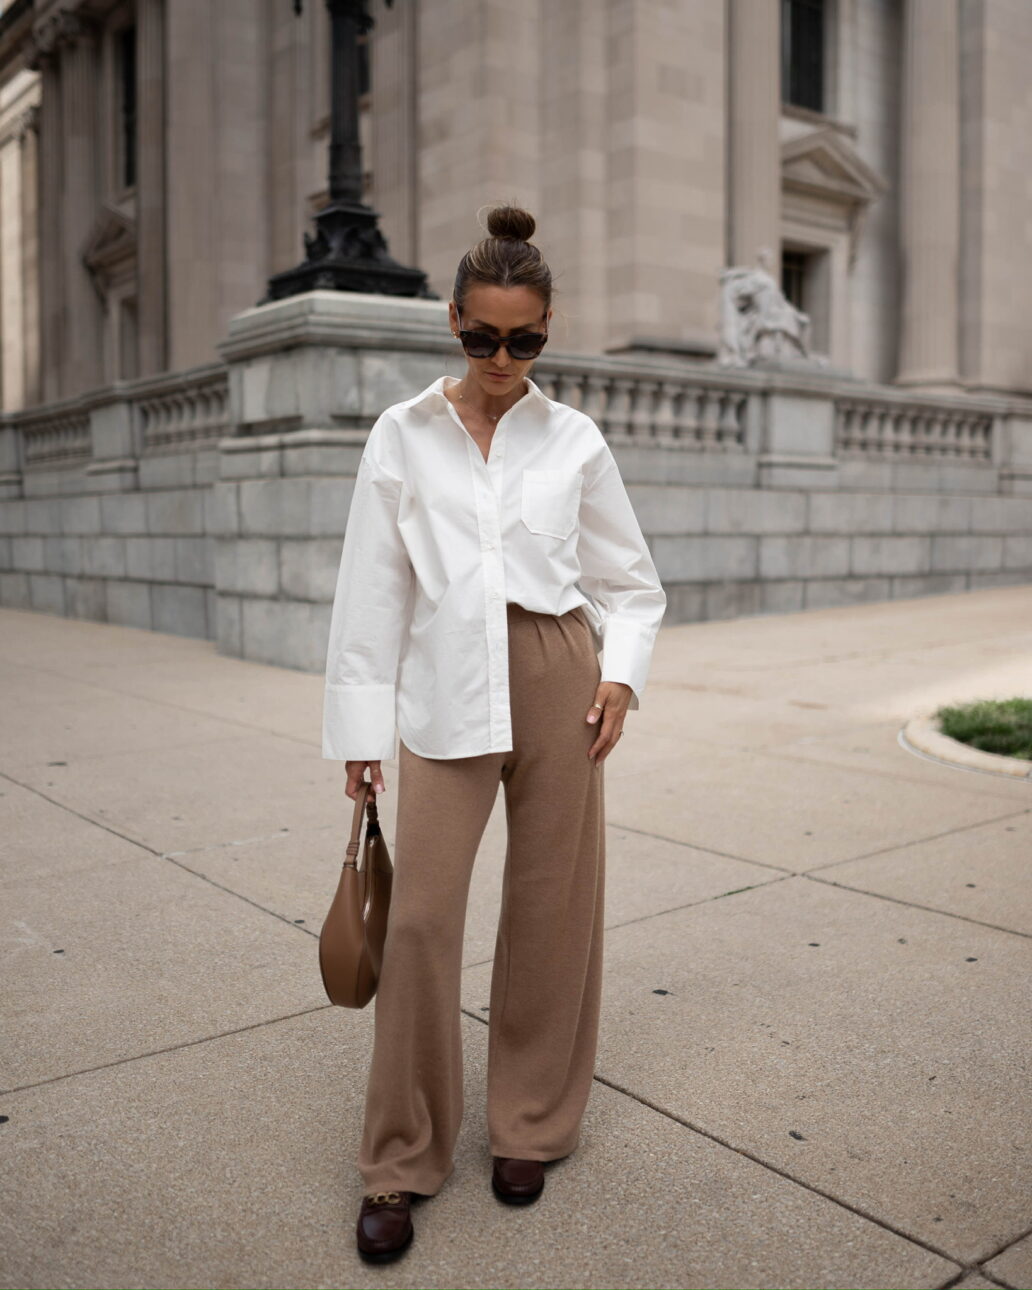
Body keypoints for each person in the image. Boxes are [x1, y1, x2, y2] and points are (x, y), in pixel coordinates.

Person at [322, 203, 667, 1263]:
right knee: (421, 923)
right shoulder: (402, 435)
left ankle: (530, 1124)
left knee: (552, 911)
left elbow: (633, 585)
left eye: (525, 339)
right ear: (455, 324)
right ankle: (400, 1158)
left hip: (558, 673)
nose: (503, 358)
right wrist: (359, 733)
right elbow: (371, 593)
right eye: (484, 337)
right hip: (443, 682)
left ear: (547, 329)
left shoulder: (576, 440)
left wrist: (621, 679)